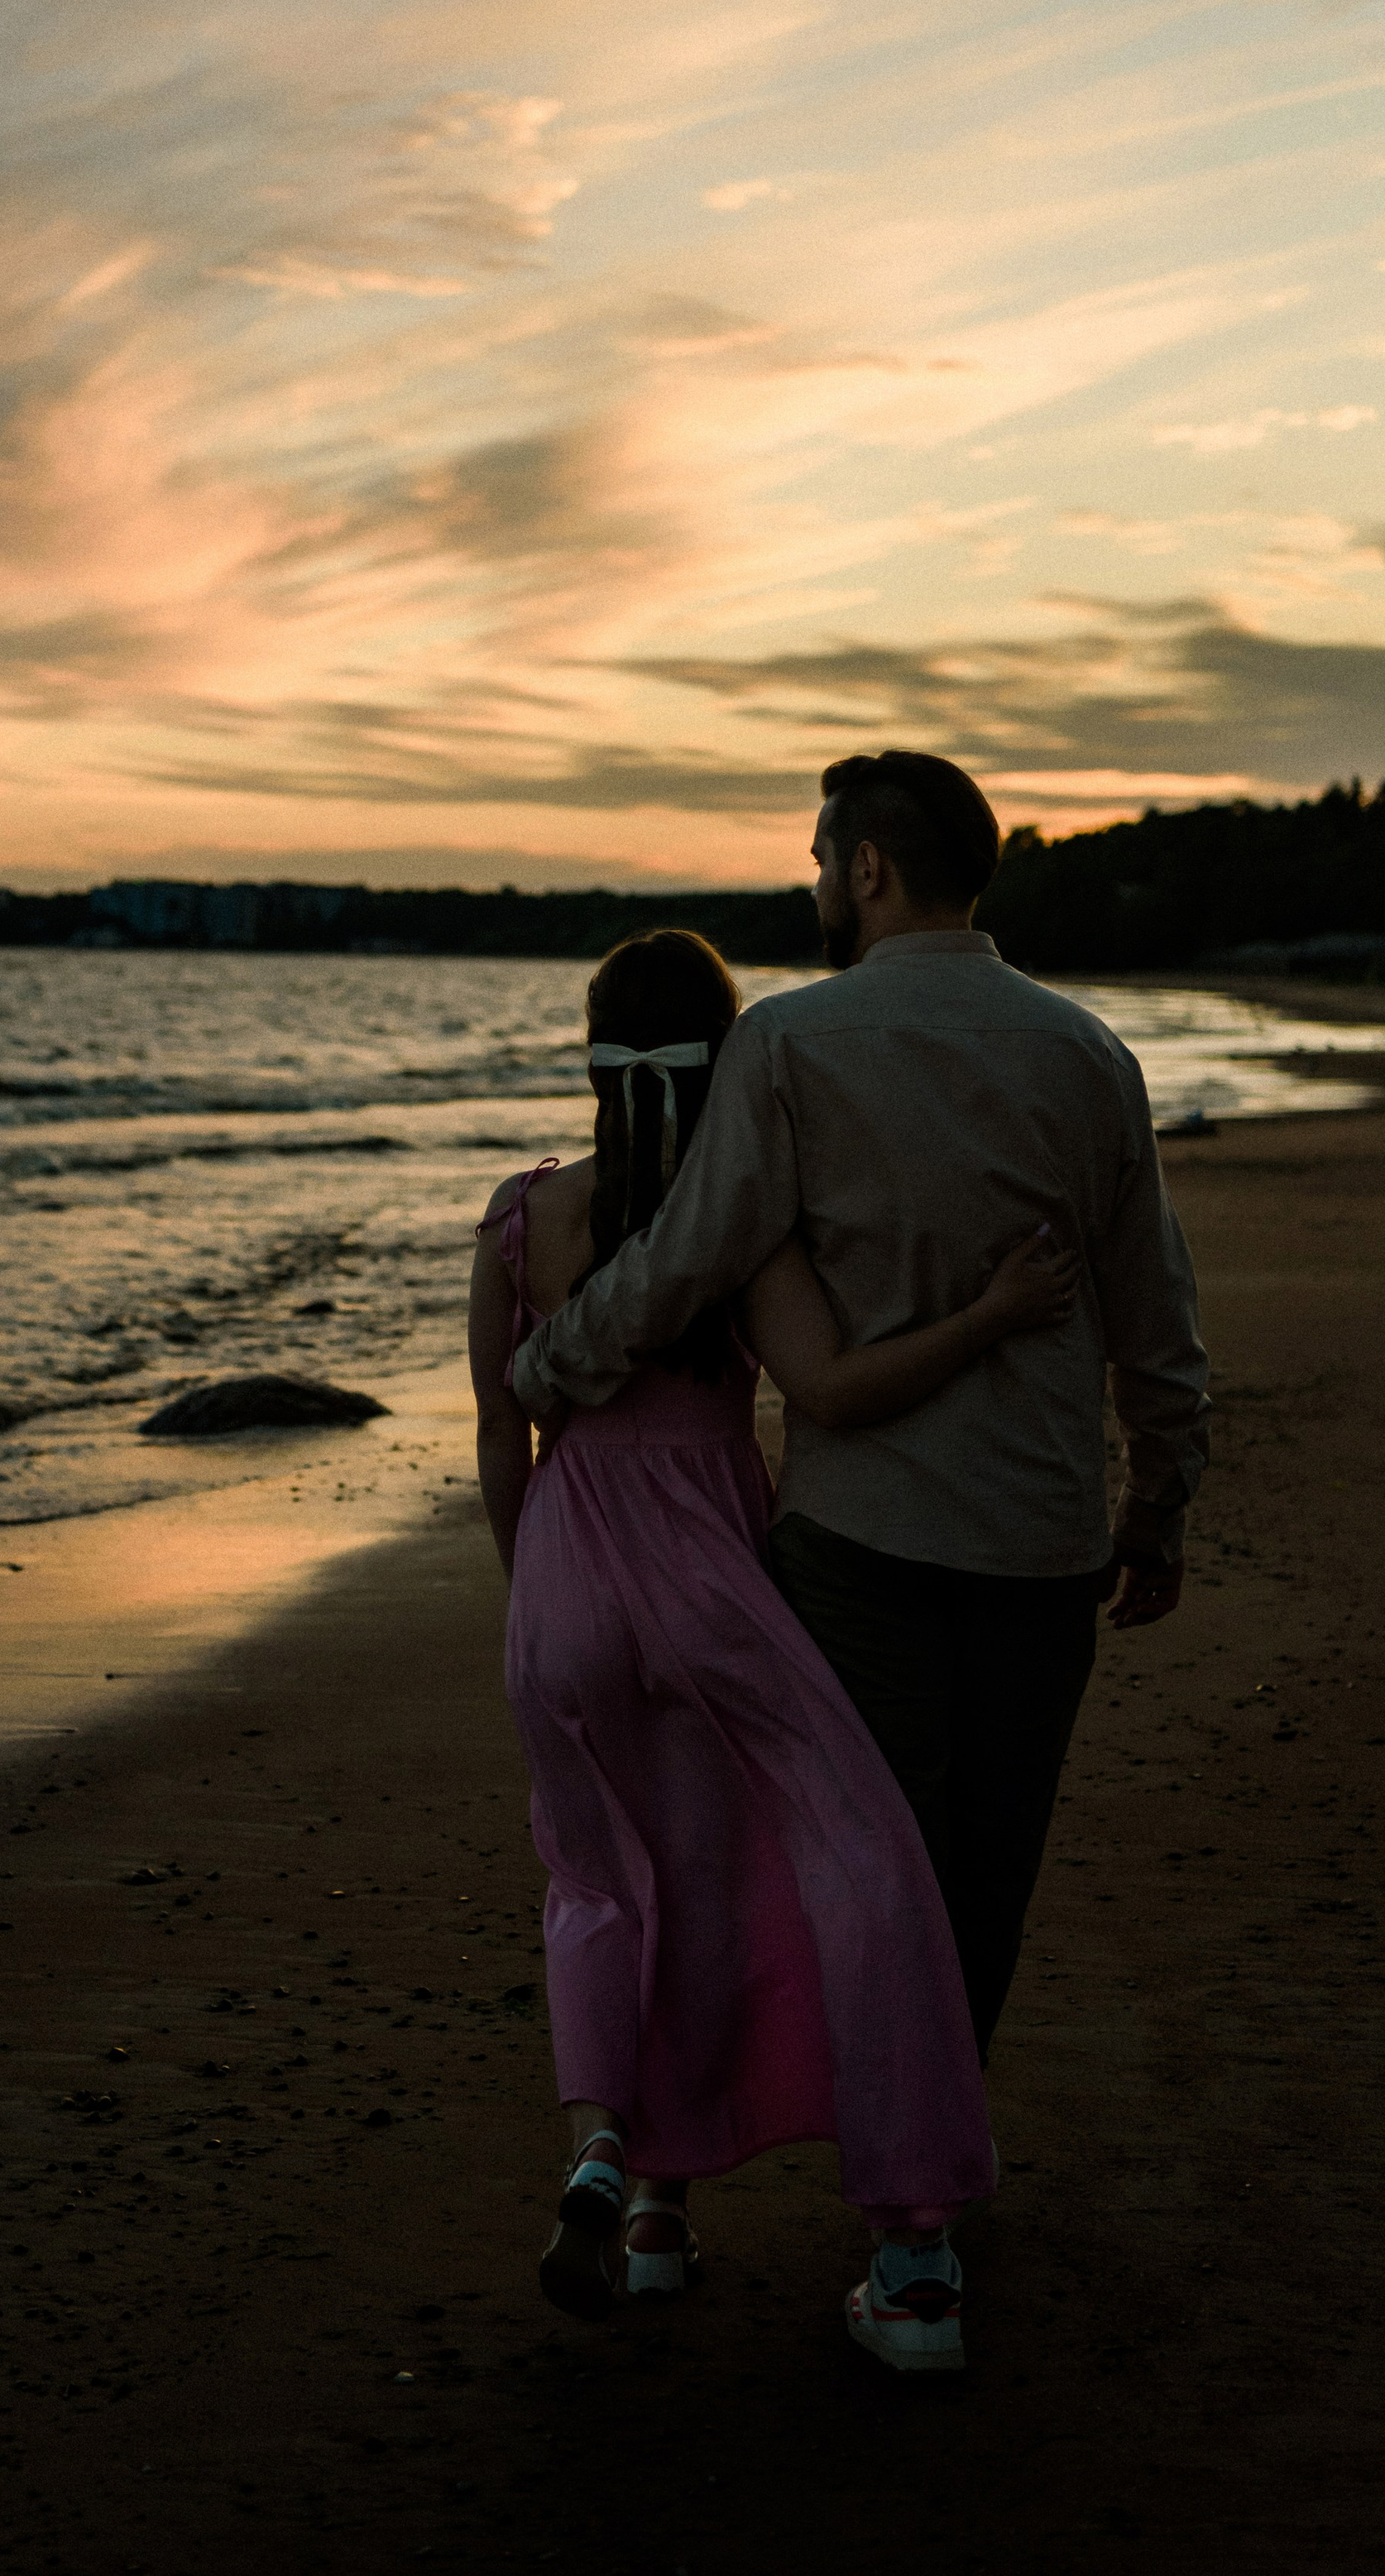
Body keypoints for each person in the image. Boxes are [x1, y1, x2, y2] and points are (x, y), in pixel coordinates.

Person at [507, 754, 1210, 2363]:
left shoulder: (790, 1043)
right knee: (972, 1878)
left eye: (823, 854)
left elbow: (690, 1249)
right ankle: (921, 2203)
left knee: (857, 1875)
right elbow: (1150, 1315)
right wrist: (1157, 1504)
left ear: (872, 869)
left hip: (864, 1539)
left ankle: (894, 2233)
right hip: (1037, 1536)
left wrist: (551, 1371)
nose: (815, 879)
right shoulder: (1084, 1051)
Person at [472, 926, 1081, 2369]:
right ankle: (914, 2241)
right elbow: (835, 1389)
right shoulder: (735, 1217)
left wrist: (534, 1598)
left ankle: (633, 2187)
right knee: (842, 1852)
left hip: (563, 1572)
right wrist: (994, 1313)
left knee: (602, 1880)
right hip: (708, 1577)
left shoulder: (517, 1215)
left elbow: (506, 1434)